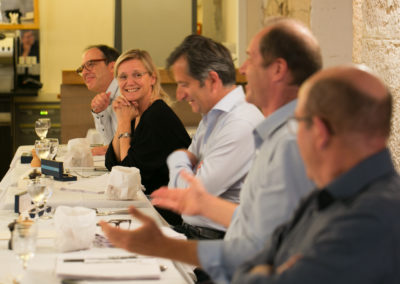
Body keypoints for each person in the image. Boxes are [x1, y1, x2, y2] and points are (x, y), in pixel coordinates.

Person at [100, 17, 322, 284]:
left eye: (185, 84)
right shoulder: (215, 120)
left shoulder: (251, 126)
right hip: (201, 238)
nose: (242, 68)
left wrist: (187, 171)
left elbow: (191, 194)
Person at [231, 65, 400, 284]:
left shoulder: (372, 219)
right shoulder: (323, 195)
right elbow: (248, 264)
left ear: (319, 132)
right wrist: (271, 272)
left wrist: (267, 271)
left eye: (298, 122)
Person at [164, 34, 263, 240]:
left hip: (217, 244)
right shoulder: (212, 116)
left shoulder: (240, 123)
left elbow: (187, 197)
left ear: (212, 80)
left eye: (184, 84)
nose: (179, 95)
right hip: (196, 233)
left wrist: (178, 159)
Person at [104, 49, 191, 225]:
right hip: (148, 206)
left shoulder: (157, 116)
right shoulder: (138, 112)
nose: (129, 82)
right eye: (122, 77)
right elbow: (111, 163)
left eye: (137, 75)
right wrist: (125, 120)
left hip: (170, 217)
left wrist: (122, 122)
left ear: (152, 78)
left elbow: (127, 175)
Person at [77, 45, 120, 154]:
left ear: (112, 67)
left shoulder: (126, 92)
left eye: (90, 64)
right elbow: (109, 141)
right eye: (82, 68)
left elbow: (127, 145)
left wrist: (99, 151)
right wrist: (100, 112)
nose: (85, 73)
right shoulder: (107, 96)